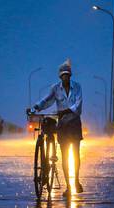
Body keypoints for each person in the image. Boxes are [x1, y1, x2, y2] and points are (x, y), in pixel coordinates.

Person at [28, 58, 83, 197]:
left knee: (75, 155)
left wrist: (66, 111)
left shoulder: (77, 87)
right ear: (60, 76)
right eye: (63, 75)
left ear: (70, 76)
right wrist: (36, 107)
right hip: (63, 125)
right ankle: (68, 187)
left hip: (74, 123)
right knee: (65, 156)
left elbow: (78, 105)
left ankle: (76, 180)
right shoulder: (55, 88)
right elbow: (47, 100)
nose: (65, 77)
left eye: (67, 75)